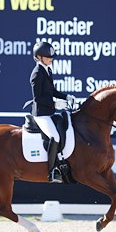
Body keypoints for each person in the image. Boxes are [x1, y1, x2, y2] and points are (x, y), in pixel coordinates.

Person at [24, 41, 76, 183]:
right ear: (38, 57)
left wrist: (65, 96)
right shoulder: (36, 74)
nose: (51, 59)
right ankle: (52, 171)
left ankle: (61, 161)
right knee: (55, 137)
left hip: (49, 112)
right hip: (41, 114)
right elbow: (38, 98)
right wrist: (55, 103)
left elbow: (51, 91)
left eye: (52, 56)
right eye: (48, 57)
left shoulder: (47, 70)